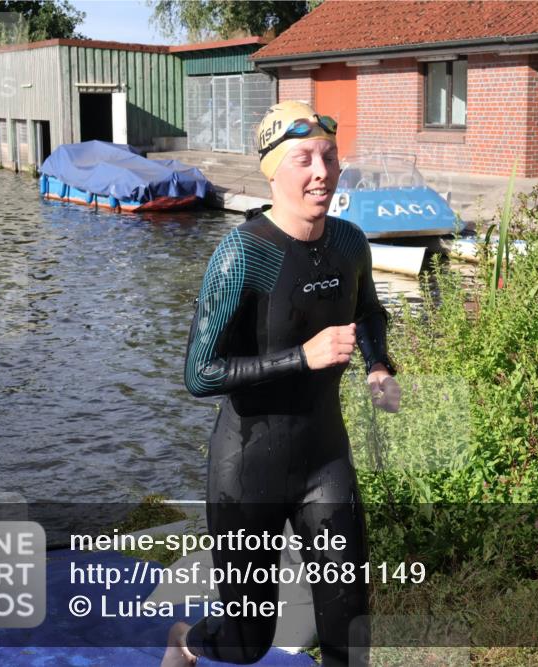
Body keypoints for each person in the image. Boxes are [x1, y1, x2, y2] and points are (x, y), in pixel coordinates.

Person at [162, 100, 401, 667]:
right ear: (273, 171)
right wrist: (303, 357)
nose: (321, 172)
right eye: (303, 159)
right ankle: (186, 643)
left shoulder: (348, 243)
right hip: (248, 468)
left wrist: (377, 365)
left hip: (325, 458)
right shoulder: (243, 254)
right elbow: (200, 372)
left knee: (351, 630)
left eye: (329, 157)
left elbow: (368, 312)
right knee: (248, 645)